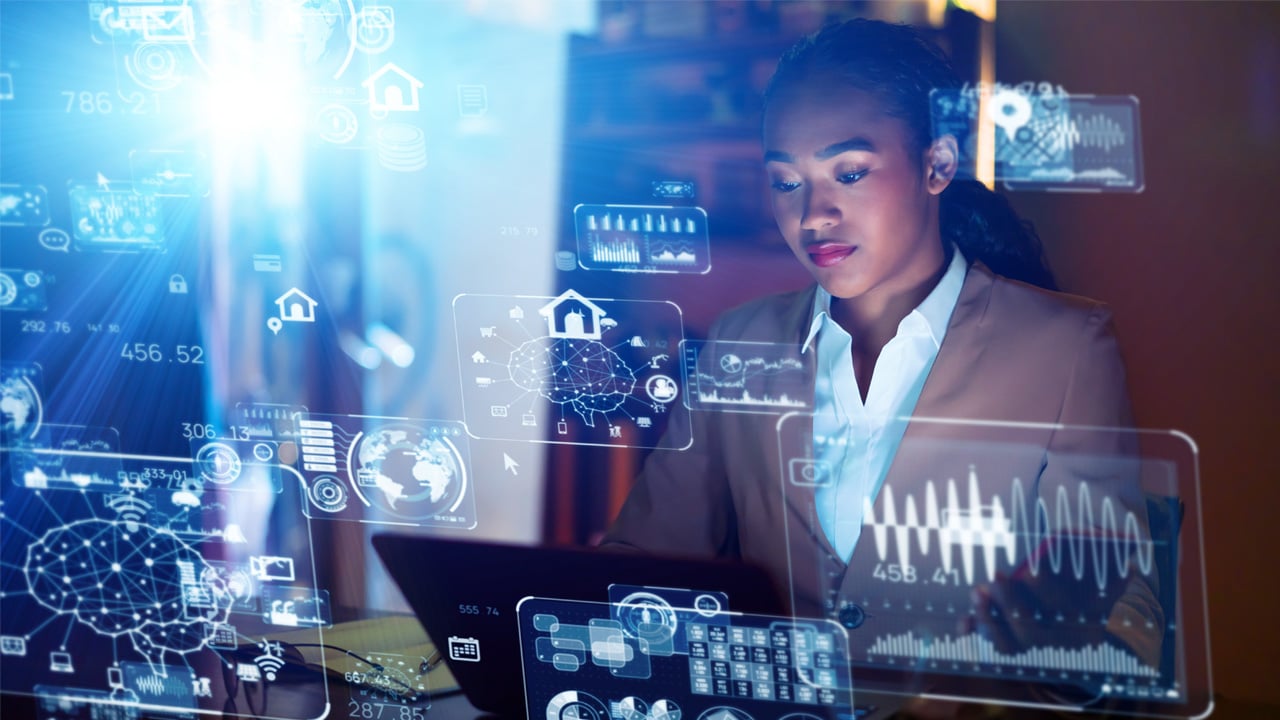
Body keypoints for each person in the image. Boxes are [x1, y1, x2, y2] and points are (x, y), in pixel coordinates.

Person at [602, 17, 1164, 708]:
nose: (813, 216)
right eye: (786, 183)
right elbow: (641, 566)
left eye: (850, 172)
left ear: (938, 163)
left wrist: (1067, 638)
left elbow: (1130, 619)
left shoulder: (1065, 347)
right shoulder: (738, 343)